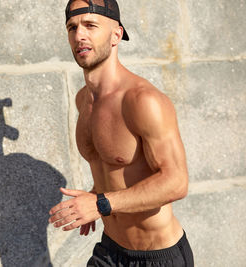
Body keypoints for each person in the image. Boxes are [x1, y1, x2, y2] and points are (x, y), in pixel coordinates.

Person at [48, 0, 194, 266]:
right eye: (72, 27)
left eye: (90, 25)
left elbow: (176, 181)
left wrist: (101, 204)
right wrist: (94, 194)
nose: (79, 35)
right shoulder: (84, 100)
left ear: (116, 34)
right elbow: (114, 168)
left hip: (156, 257)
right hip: (110, 250)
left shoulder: (142, 100)